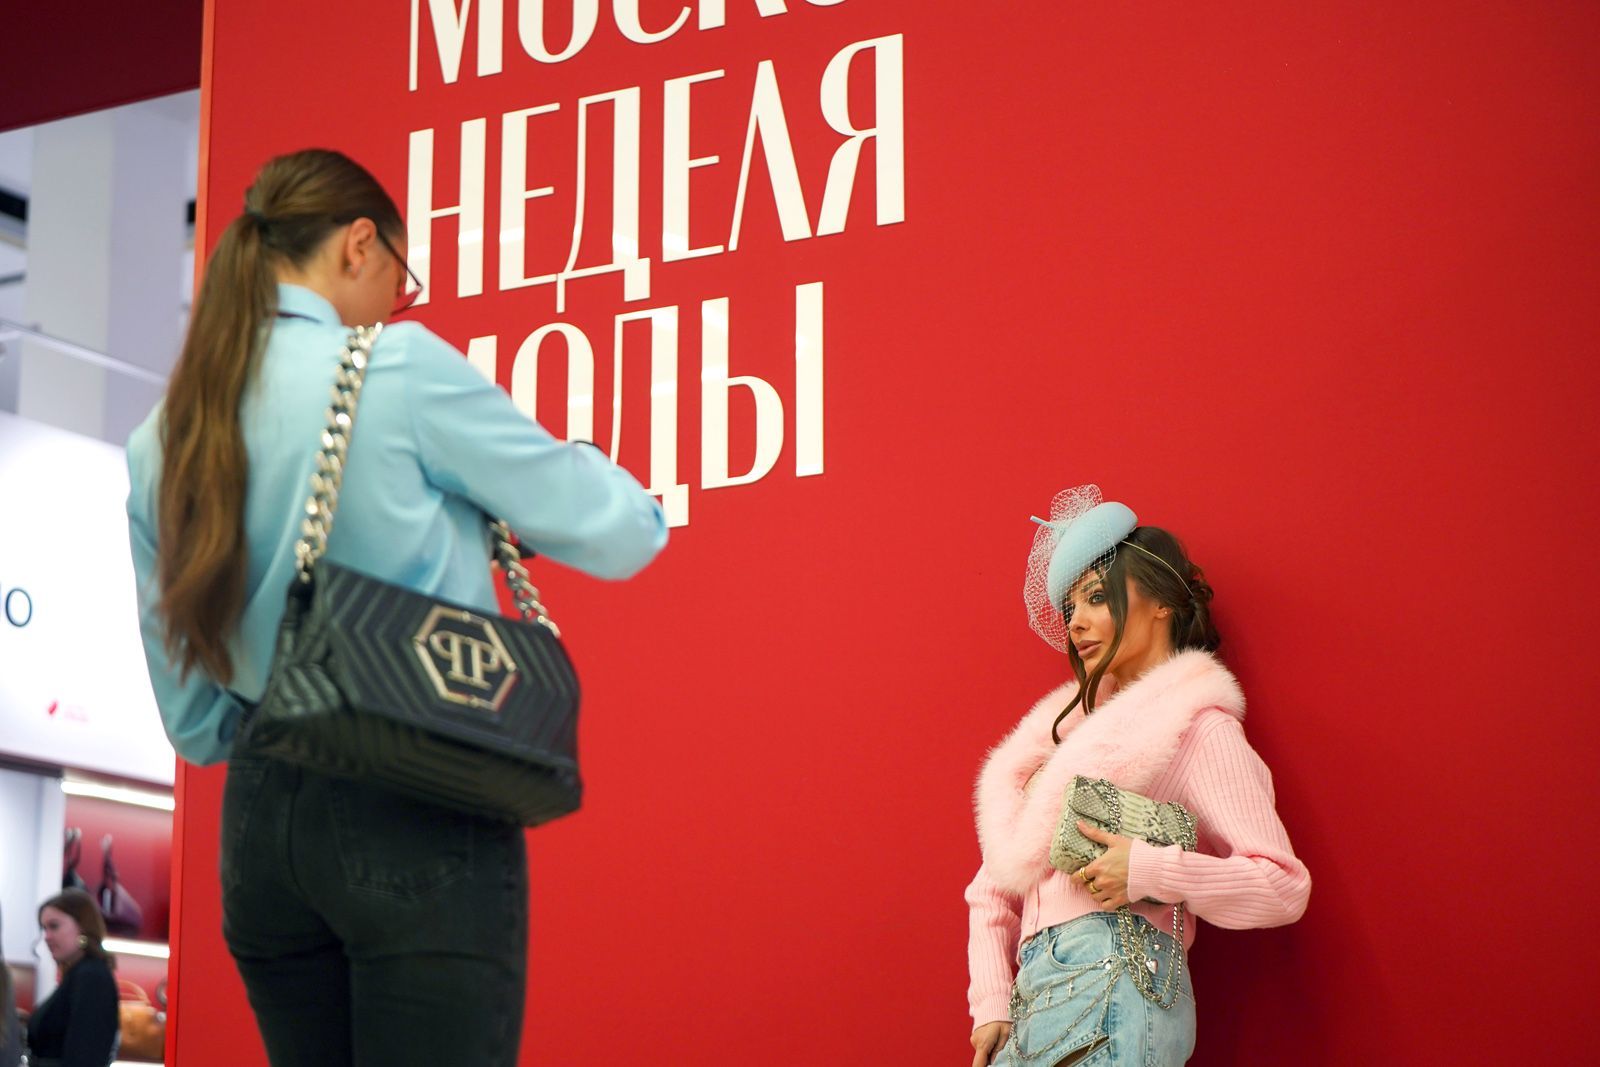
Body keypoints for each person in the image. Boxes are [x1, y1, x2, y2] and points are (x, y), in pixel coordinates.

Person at [125, 149, 668, 1066]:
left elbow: (196, 725)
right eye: (399, 278)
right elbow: (623, 533)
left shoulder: (162, 437)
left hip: (260, 833)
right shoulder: (396, 369)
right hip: (414, 793)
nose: (394, 303)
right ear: (359, 244)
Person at [965, 487, 1310, 1067]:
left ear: (1161, 604)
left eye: (1097, 598)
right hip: (1031, 1001)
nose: (1076, 623)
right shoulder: (1061, 740)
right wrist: (992, 1001)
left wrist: (1148, 869)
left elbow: (1281, 886)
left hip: (1121, 985)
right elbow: (992, 885)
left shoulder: (1196, 727)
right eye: (1070, 609)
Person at [25, 890, 119, 1067]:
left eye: (54, 926)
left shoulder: (91, 977)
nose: (46, 937)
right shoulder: (80, 975)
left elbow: (85, 1056)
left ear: (82, 926)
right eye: (44, 928)